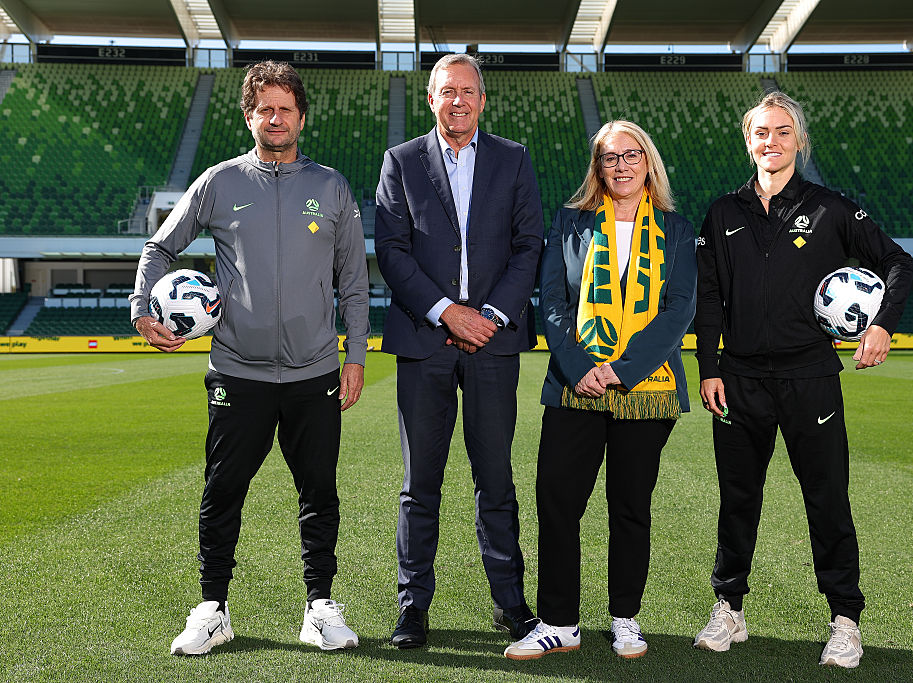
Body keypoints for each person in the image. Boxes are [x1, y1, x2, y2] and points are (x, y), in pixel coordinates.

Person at [130, 61, 370, 656]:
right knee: (223, 490)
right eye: (265, 108)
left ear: (302, 117)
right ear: (249, 116)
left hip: (316, 370)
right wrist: (142, 311)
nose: (276, 118)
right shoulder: (220, 182)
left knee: (319, 491)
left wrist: (356, 354)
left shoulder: (331, 186)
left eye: (286, 108)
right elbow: (160, 246)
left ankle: (319, 606)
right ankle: (212, 609)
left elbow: (354, 281)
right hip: (237, 370)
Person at [692, 91, 913, 668]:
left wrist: (882, 325)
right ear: (748, 140)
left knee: (827, 500)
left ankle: (845, 619)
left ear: (799, 141)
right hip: (738, 381)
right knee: (738, 500)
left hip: (810, 376)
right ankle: (728, 608)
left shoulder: (832, 209)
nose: (772, 142)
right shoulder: (722, 213)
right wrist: (709, 368)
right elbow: (710, 299)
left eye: (784, 132)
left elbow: (897, 263)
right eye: (762, 132)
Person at [504, 120, 697, 661]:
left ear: (648, 161)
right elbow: (552, 301)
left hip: (647, 386)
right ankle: (559, 622)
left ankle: (625, 619)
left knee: (630, 506)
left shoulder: (678, 230)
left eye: (631, 155)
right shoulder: (570, 223)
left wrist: (623, 369)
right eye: (610, 157)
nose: (621, 165)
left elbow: (678, 308)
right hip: (575, 384)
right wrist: (579, 365)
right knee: (558, 502)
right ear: (598, 166)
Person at [374, 53, 544, 650]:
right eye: (448, 92)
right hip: (425, 341)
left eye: (468, 92)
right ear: (431, 99)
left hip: (494, 342)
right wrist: (448, 312)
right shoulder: (400, 163)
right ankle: (412, 606)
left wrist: (490, 316)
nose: (459, 101)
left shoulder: (514, 159)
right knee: (421, 483)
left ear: (482, 99)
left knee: (495, 478)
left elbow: (530, 246)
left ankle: (511, 604)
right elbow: (391, 251)